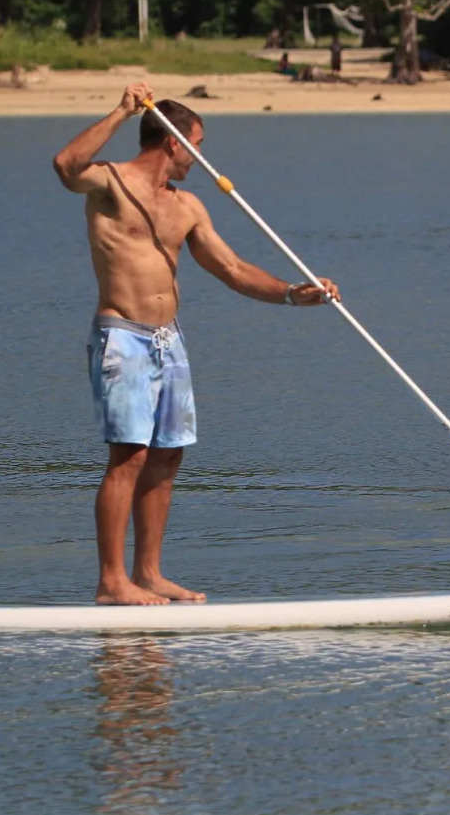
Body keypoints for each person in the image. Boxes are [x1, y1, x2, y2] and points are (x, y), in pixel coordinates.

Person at [52, 84, 340, 605]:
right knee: (130, 455)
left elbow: (232, 270)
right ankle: (111, 581)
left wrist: (296, 295)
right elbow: (67, 164)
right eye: (198, 144)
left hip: (169, 342)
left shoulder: (187, 206)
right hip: (123, 336)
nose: (203, 158)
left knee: (166, 457)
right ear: (173, 143)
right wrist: (122, 109)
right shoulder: (111, 182)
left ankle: (149, 573)